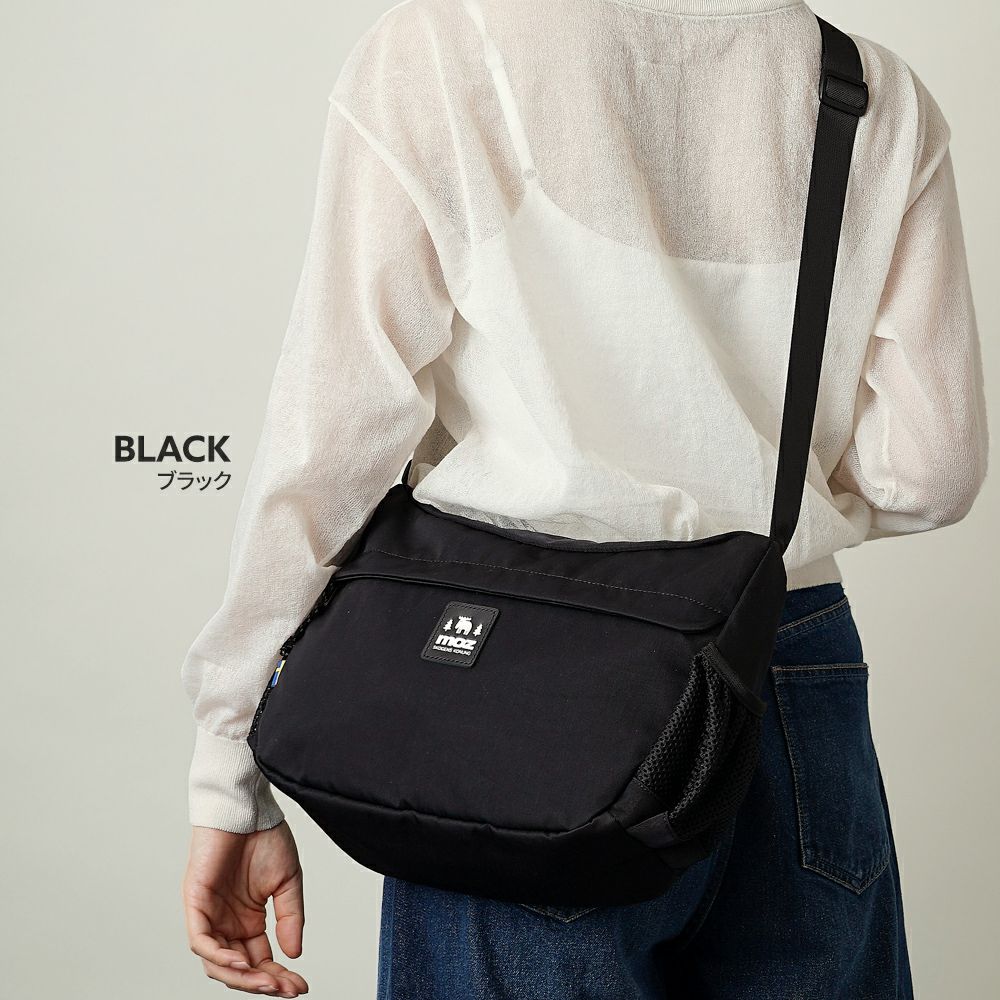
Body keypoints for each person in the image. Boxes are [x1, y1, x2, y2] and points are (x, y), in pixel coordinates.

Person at [180, 1, 987, 997]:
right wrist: (756, 523)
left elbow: (331, 439)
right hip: (787, 664)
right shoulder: (870, 93)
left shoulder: (444, 46)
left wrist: (229, 766)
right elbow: (935, 467)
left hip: (528, 689)